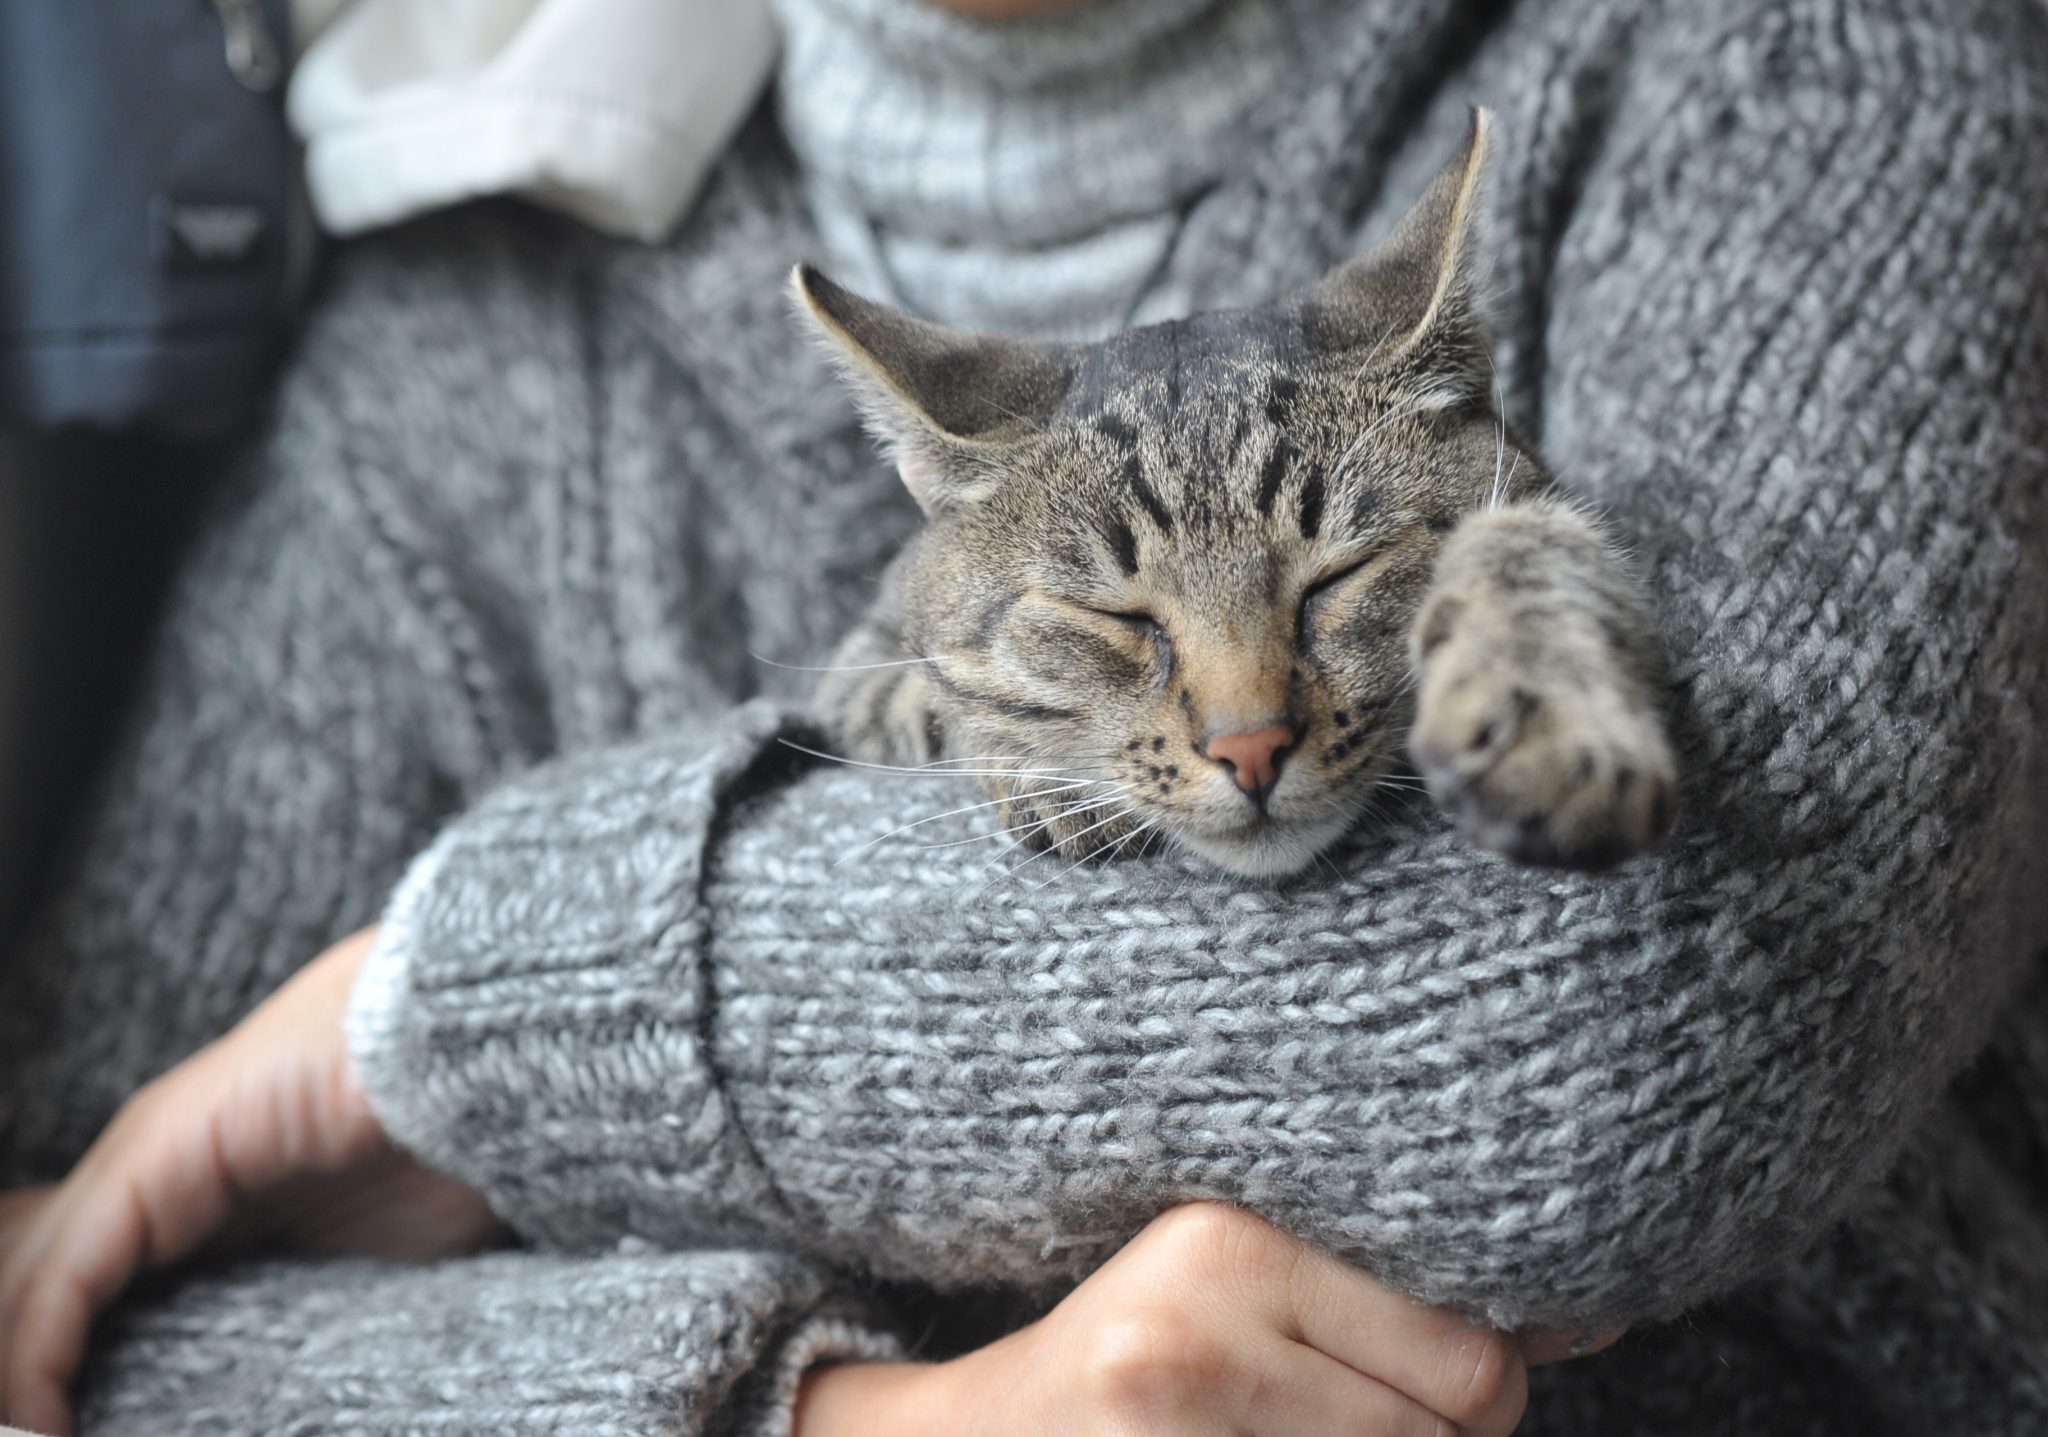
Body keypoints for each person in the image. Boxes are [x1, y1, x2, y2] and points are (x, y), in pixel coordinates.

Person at [4, 0, 2048, 1432]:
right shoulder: (452, 352)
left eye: (1322, 600)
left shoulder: (1792, 53)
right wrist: (842, 1417)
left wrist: (469, 1012)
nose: (1247, 725)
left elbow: (1644, 1015)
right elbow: (60, 1302)